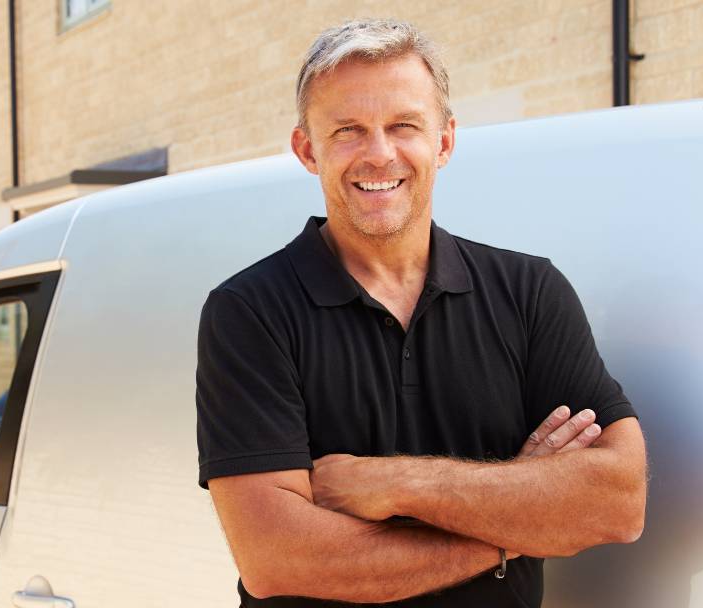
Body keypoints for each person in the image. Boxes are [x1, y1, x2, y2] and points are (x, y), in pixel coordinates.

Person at [195, 18, 647, 607]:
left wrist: (393, 483)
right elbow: (280, 560)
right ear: (308, 149)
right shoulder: (250, 312)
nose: (379, 154)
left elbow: (617, 502)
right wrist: (516, 530)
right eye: (348, 130)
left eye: (403, 124)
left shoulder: (529, 291)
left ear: (445, 140)